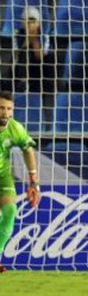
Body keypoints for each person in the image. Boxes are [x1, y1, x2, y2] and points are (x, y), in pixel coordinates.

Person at [0, 92, 41, 273]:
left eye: (9, 109)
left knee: (9, 212)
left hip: (2, 174)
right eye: (1, 108)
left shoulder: (15, 127)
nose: (5, 113)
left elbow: (28, 149)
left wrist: (33, 181)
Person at [13, 6, 56, 122]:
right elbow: (17, 56)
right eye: (27, 21)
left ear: (39, 23)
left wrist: (34, 39)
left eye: (33, 21)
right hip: (21, 77)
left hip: (40, 75)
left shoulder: (45, 36)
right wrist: (27, 39)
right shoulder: (18, 36)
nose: (30, 24)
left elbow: (41, 57)